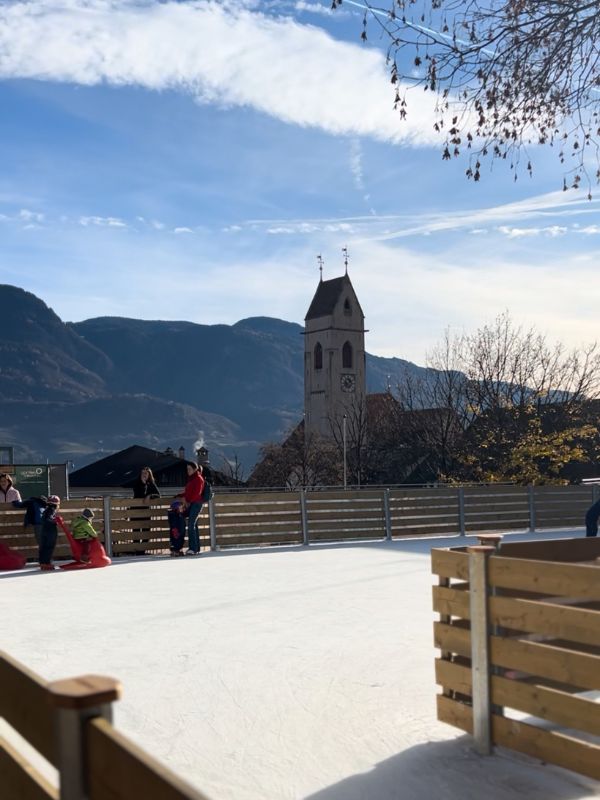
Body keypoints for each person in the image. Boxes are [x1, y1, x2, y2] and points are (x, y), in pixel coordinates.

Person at [177, 462, 205, 555]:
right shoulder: (191, 479)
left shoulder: (198, 479)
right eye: (187, 469)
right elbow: (188, 492)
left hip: (196, 504)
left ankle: (193, 548)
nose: (188, 471)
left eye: (189, 469)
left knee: (191, 525)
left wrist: (188, 501)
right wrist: (180, 495)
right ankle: (196, 548)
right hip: (192, 504)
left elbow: (197, 493)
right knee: (194, 525)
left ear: (194, 469)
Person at [131, 466, 160, 554]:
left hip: (146, 511)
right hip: (135, 511)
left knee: (146, 531)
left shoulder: (151, 484)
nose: (144, 475)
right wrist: (143, 484)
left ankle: (142, 551)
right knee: (136, 531)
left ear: (149, 475)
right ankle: (136, 550)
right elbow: (139, 493)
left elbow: (158, 495)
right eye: (142, 473)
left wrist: (150, 496)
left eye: (146, 473)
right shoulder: (136, 483)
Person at [39, 495, 61, 571]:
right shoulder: (52, 509)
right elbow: (49, 518)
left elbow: (44, 519)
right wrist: (55, 521)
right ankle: (46, 563)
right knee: (49, 547)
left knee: (44, 547)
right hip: (50, 530)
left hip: (44, 530)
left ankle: (43, 563)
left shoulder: (46, 509)